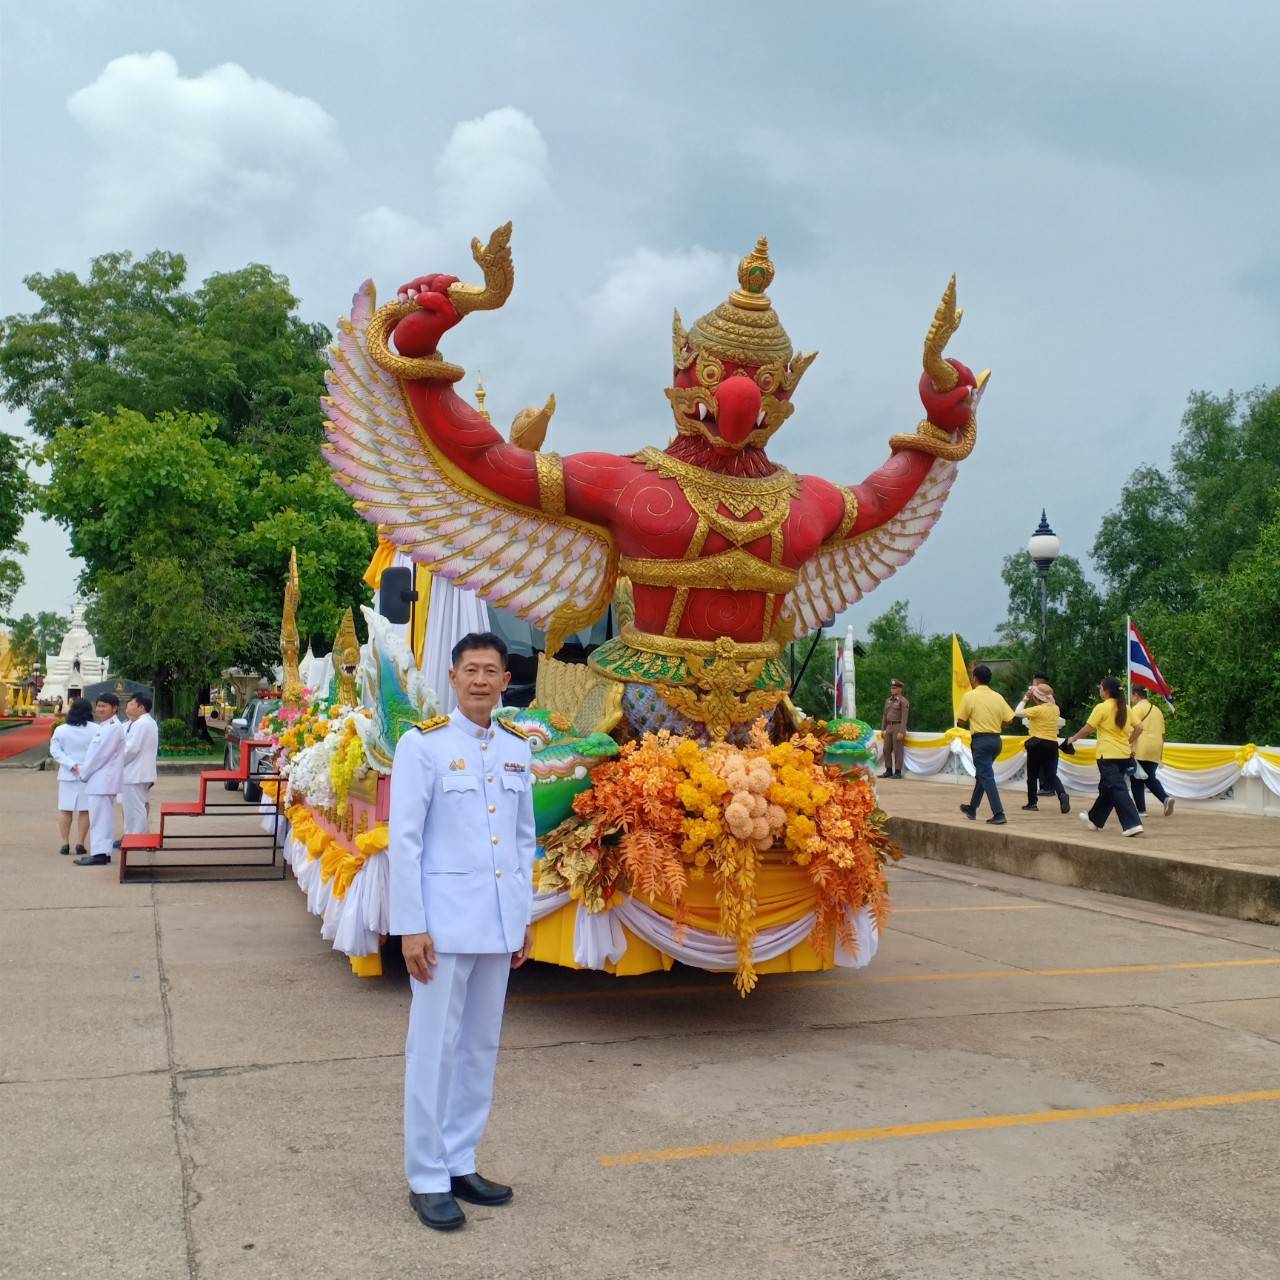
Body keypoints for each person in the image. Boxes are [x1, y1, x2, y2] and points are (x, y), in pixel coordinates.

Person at [388, 632, 536, 1232]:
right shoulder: (423, 745)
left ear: (505, 682)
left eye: (490, 671)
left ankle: (459, 1160)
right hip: (442, 928)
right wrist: (411, 926)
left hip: (497, 925)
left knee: (479, 1048)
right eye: (470, 669)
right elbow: (404, 841)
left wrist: (522, 917)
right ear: (452, 678)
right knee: (433, 1052)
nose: (480, 680)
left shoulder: (517, 749)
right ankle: (426, 1176)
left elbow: (523, 841)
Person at [1066, 677, 1143, 836]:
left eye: (1100, 687)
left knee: (1117, 788)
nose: (1099, 690)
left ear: (1106, 690)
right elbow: (1139, 728)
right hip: (1123, 755)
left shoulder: (1101, 707)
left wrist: (1074, 738)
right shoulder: (1126, 708)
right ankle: (1095, 819)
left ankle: (1132, 824)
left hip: (1106, 755)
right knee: (1108, 788)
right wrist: (1128, 741)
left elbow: (1088, 728)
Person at [956, 664, 1015, 825]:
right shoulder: (997, 696)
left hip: (981, 741)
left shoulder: (970, 696)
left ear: (975, 678)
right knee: (983, 775)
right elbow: (1010, 719)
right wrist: (996, 725)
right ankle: (972, 808)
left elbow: (960, 720)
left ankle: (999, 813)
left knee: (986, 776)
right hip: (996, 741)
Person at [74, 693, 125, 865]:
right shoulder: (105, 726)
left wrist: (84, 773)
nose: (100, 709)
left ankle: (100, 854)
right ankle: (103, 851)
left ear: (114, 708)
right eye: (99, 706)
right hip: (100, 779)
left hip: (103, 779)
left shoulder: (113, 727)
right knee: (101, 817)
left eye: (104, 706)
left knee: (100, 818)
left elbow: (100, 756)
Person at [48, 697, 95, 856]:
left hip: (68, 774)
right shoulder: (96, 729)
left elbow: (55, 751)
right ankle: (80, 843)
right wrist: (84, 766)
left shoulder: (61, 730)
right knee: (85, 810)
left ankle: (64, 843)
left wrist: (70, 764)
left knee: (65, 809)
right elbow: (98, 751)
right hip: (87, 774)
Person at [1014, 682, 1070, 814]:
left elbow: (1017, 713)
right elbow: (1051, 702)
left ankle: (1032, 803)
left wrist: (1025, 698)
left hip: (1037, 743)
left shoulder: (1037, 710)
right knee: (1051, 774)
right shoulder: (1055, 709)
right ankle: (1062, 794)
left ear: (1036, 698)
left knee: (1032, 775)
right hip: (1052, 744)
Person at [1129, 689, 1173, 818]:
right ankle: (1165, 799)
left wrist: (1127, 743)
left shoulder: (1136, 709)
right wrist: (1160, 752)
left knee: (1137, 779)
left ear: (1136, 695)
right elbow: (1163, 734)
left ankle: (1142, 809)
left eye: (1131, 695)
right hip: (1156, 748)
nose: (1131, 698)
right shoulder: (1157, 710)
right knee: (1149, 776)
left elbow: (1133, 729)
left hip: (1141, 747)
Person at [120, 692, 159, 837]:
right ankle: (132, 836)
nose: (128, 706)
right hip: (139, 772)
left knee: (134, 809)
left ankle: (136, 838)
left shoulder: (141, 724)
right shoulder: (146, 722)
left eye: (131, 704)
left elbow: (131, 749)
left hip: (135, 773)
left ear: (141, 707)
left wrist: (116, 763)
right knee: (133, 808)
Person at [880, 679, 910, 779]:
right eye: (892, 688)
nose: (892, 690)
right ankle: (888, 770)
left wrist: (902, 731)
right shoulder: (888, 701)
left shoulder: (903, 701)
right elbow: (884, 715)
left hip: (898, 726)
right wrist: (883, 729)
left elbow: (904, 718)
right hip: (889, 726)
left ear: (900, 689)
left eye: (895, 688)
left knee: (898, 750)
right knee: (886, 749)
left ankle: (897, 772)